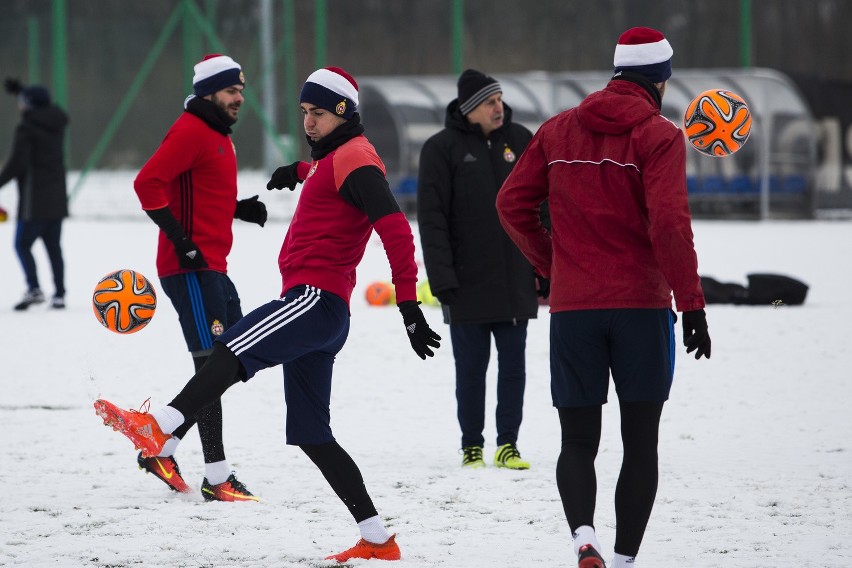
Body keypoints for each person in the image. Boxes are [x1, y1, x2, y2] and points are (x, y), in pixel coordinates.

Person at [95, 66, 441, 562]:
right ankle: (378, 538)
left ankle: (161, 428)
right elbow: (328, 174)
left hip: (313, 301)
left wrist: (408, 305)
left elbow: (395, 229)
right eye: (303, 113)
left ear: (343, 111)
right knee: (311, 433)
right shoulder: (335, 160)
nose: (308, 123)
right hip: (322, 312)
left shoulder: (358, 159)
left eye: (317, 113)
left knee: (230, 346)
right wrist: (299, 173)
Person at [496, 27, 712, 568]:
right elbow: (669, 223)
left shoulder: (557, 130)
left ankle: (583, 536)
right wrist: (691, 303)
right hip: (641, 308)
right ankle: (623, 560)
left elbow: (510, 204)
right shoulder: (660, 136)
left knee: (577, 442)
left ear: (616, 71)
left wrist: (553, 267)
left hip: (576, 311)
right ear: (660, 79)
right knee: (641, 443)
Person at [132, 54, 268, 500]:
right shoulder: (190, 129)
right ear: (209, 92)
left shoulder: (218, 136)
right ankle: (218, 477)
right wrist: (181, 240)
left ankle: (163, 447)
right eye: (232, 91)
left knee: (232, 362)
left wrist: (237, 207)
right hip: (190, 266)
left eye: (241, 92)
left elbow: (199, 191)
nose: (239, 99)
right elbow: (147, 183)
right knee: (211, 364)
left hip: (214, 266)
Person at [417, 69, 547, 470]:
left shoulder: (521, 140)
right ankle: (471, 445)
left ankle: (507, 444)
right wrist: (441, 278)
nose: (499, 107)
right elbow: (432, 219)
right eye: (490, 101)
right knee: (470, 372)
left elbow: (543, 207)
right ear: (470, 108)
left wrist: (546, 264)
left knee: (513, 371)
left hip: (515, 281)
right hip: (465, 284)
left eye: (500, 99)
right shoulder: (440, 149)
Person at [0, 79, 69, 311]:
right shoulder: (55, 123)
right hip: (57, 200)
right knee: (53, 247)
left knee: (21, 244)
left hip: (34, 201)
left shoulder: (26, 128)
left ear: (29, 105)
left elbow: (16, 165)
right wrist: (24, 92)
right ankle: (59, 294)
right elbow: (44, 107)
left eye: (22, 102)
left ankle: (34, 289)